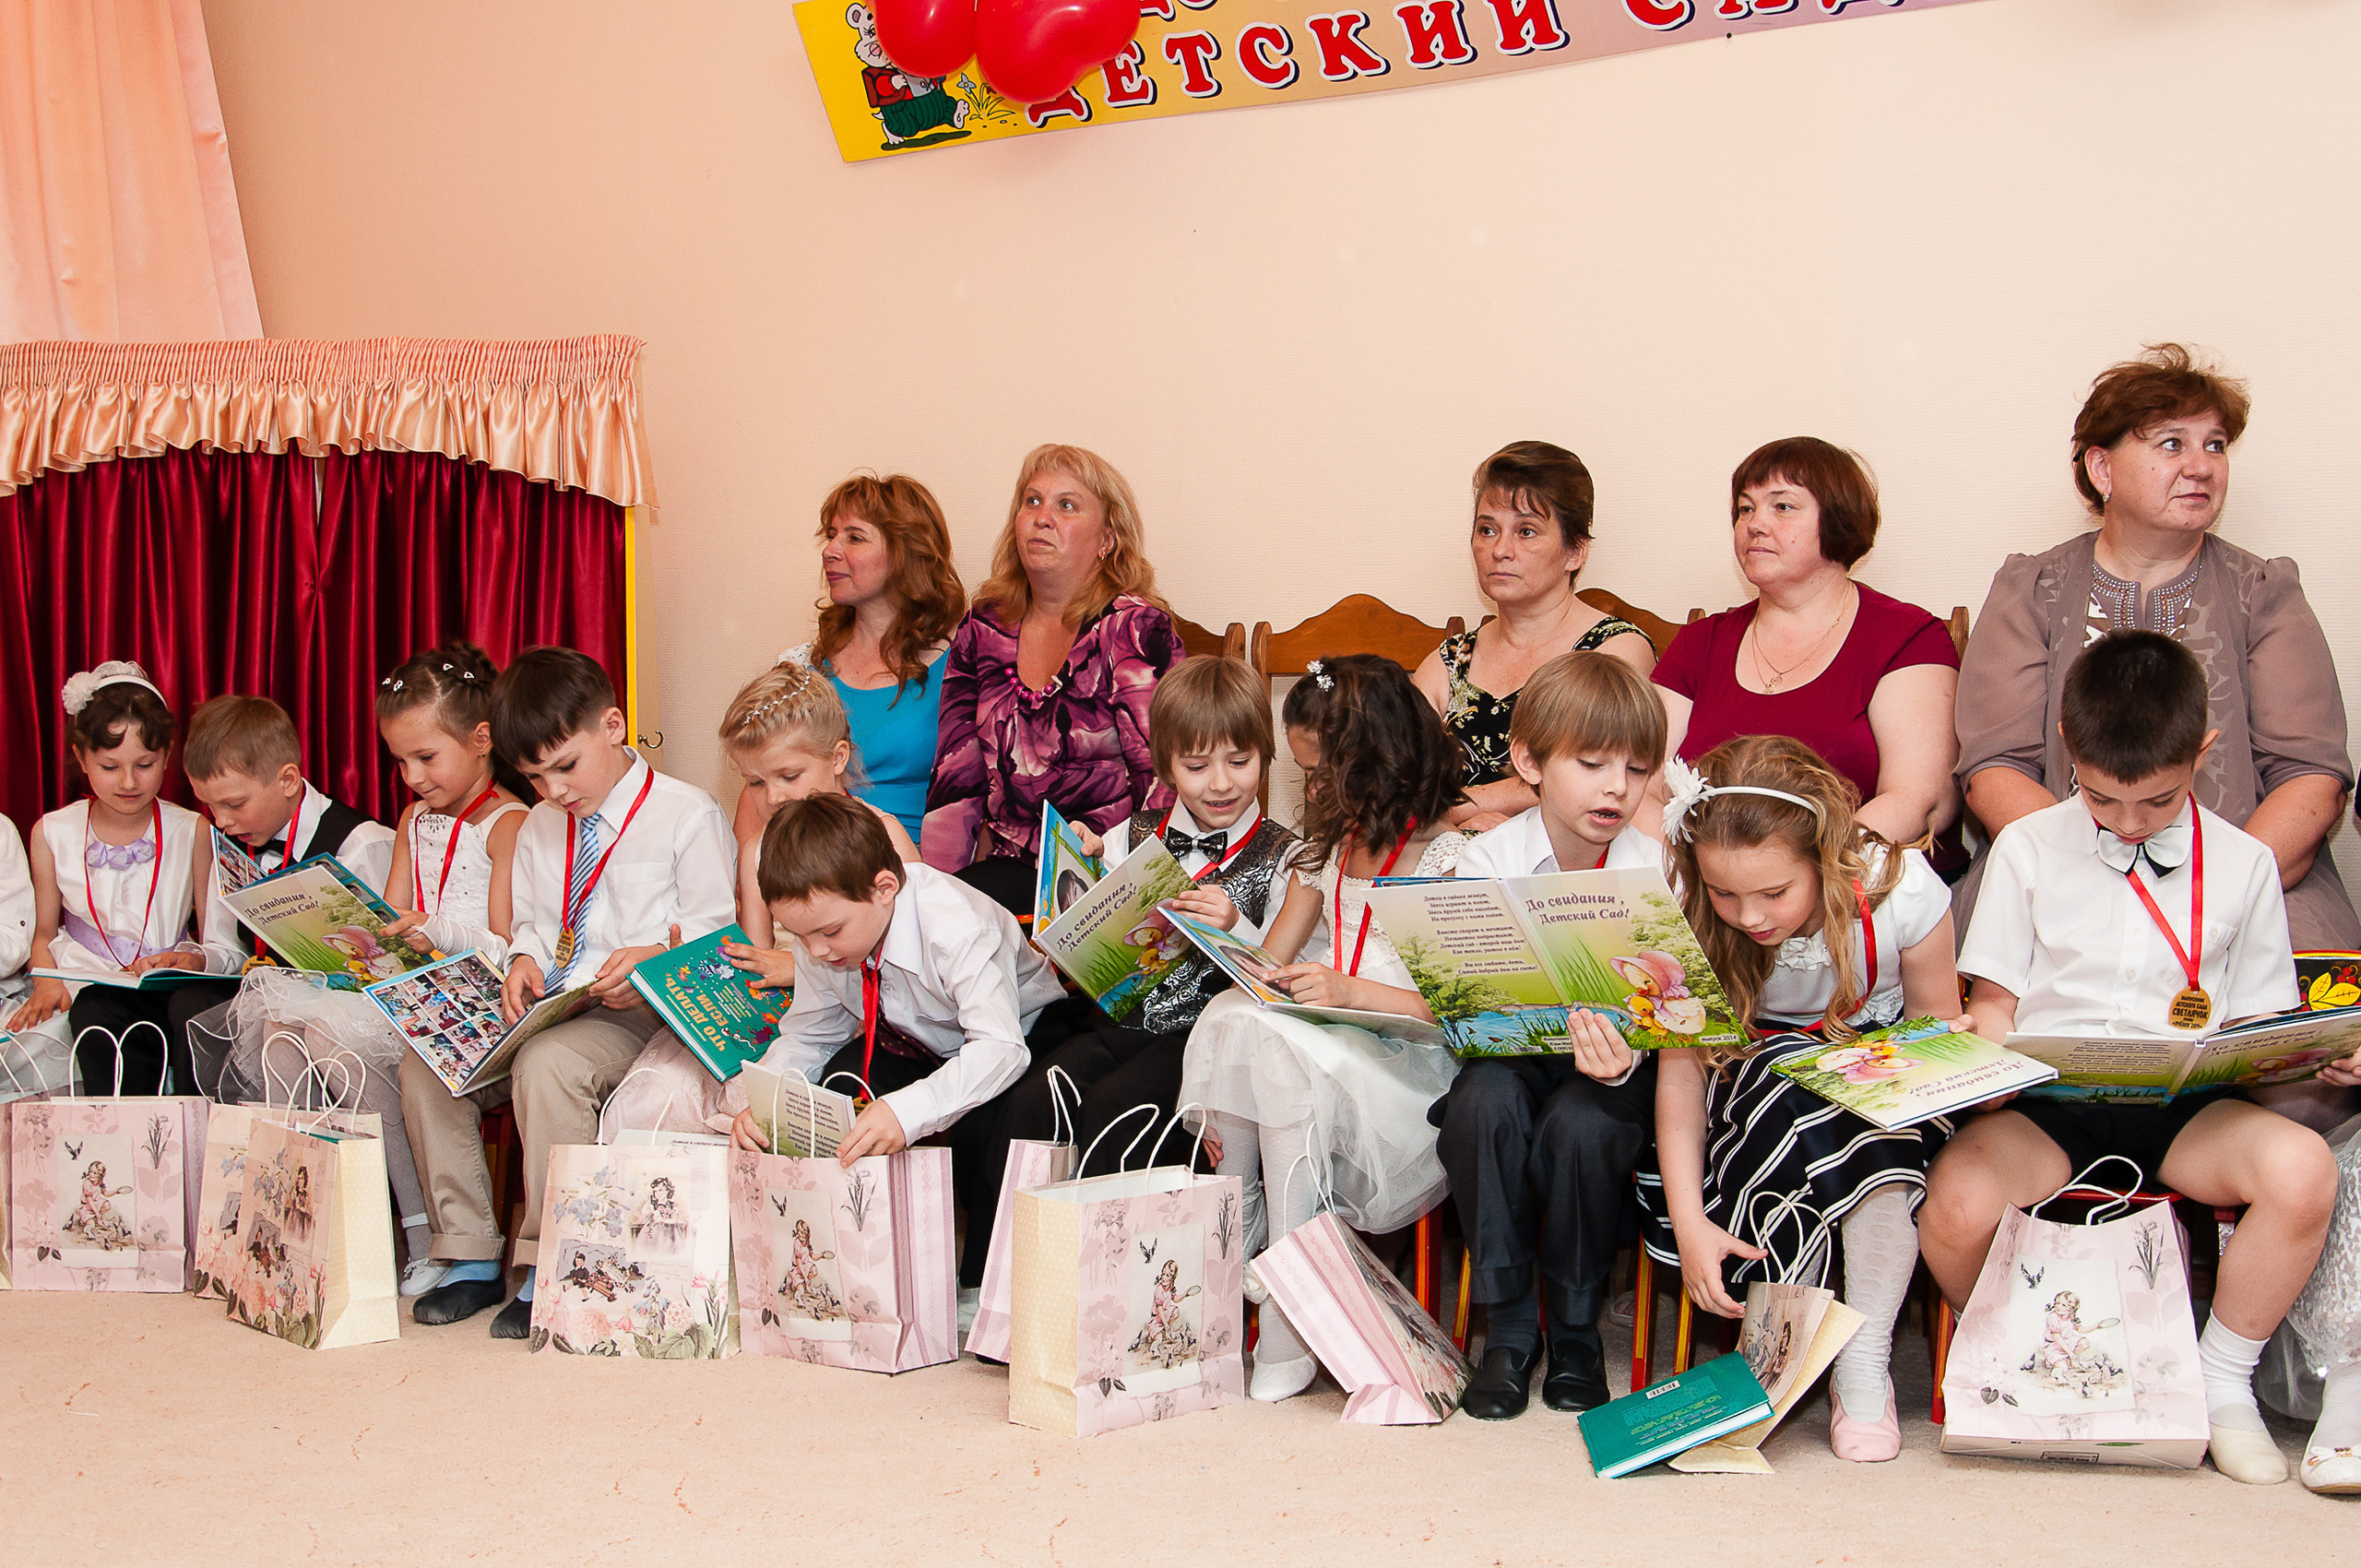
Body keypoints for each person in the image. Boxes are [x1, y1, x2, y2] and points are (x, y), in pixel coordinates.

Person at [1924, 630, 2335, 1486]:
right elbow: (1994, 1002)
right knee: (1954, 1208)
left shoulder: (2245, 863)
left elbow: (2262, 1017)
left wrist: (2307, 1053)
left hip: (2189, 1111)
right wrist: (1982, 1056)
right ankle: (2035, 1353)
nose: (2129, 822)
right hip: (2048, 1107)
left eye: (2158, 800)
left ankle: (2220, 1380)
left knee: (2303, 1170)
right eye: (2104, 798)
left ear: (2202, 753)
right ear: (2068, 748)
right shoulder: (2029, 846)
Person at [1955, 344, 2357, 1123]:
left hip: (2259, 876)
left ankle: (2250, 1178)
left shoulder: (2263, 589)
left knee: (2306, 1078)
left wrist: (2220, 894)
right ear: (2102, 468)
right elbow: (1994, 767)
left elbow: (2311, 774)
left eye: (2215, 445)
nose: (2201, 466)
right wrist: (2081, 880)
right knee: (1987, 1062)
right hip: (2055, 872)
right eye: (2172, 444)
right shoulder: (2032, 587)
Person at [1638, 734, 1969, 1462]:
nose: (1750, 916)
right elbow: (1681, 1078)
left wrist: (1939, 1047)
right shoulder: (1683, 908)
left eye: (1774, 893)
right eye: (1725, 893)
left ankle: (1861, 1360)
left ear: (1825, 858)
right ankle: (1785, 1352)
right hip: (1748, 1100)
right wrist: (1689, 1223)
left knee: (1861, 1121)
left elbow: (1937, 1038)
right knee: (1786, 1078)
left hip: (1889, 1099)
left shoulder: (1903, 890)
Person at [405, 647, 737, 1339]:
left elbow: (717, 940)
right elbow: (533, 925)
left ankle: (548, 1261)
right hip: (553, 1002)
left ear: (612, 726)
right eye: (534, 776)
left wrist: (654, 960)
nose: (554, 790)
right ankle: (469, 1251)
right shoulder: (540, 825)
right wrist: (525, 960)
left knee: (548, 1065)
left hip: (642, 1013)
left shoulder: (686, 814)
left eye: (565, 766)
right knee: (428, 1062)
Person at [1180, 653, 1468, 1403]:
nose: (1310, 790)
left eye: (1322, 773)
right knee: (1234, 1015)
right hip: (1324, 1043)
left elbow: (1457, 1011)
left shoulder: (1447, 857)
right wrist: (1222, 933)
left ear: (1378, 759)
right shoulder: (1329, 849)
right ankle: (1247, 1232)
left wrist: (1348, 990)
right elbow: (1266, 968)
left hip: (1404, 1065)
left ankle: (1283, 1307)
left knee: (1277, 1046)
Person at [728, 792, 1095, 1324]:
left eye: (829, 932)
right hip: (922, 1040)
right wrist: (768, 1098)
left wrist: (907, 1111)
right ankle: (864, 1268)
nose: (816, 952)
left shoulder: (955, 924)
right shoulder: (824, 939)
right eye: (801, 937)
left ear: (885, 888)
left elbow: (998, 1048)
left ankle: (982, 1286)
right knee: (841, 1084)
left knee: (988, 1120)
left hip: (1025, 1035)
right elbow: (811, 1035)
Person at [232, 641, 528, 1298]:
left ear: (481, 740)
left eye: (426, 757)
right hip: (407, 989)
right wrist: (350, 938)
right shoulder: (413, 819)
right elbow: (388, 916)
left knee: (336, 1042)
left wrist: (434, 932)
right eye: (399, 761)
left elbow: (506, 946)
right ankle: (318, 1223)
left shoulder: (510, 822)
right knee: (285, 1032)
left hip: (469, 1002)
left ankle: (420, 1228)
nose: (412, 776)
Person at [1438, 651, 1667, 1419]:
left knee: (1582, 1124)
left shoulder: (1658, 868)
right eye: (1592, 763)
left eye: (1637, 769)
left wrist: (1632, 1052)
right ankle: (1508, 1328)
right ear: (1530, 762)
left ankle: (1574, 1329)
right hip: (1510, 1061)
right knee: (1481, 1103)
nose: (1617, 787)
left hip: (1612, 1074)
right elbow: (1465, 1003)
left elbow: (1680, 1009)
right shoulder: (1487, 858)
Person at [602, 659, 927, 1142]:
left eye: (789, 775)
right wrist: (692, 972)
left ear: (838, 758)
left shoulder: (883, 836)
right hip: (773, 1020)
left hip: (861, 1019)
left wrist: (797, 967)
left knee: (756, 1106)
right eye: (754, 783)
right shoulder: (757, 852)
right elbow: (753, 958)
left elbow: (917, 962)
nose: (772, 797)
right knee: (659, 1096)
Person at [1010, 655, 1301, 1169]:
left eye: (1239, 762)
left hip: (1202, 1042)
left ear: (1266, 755)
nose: (1221, 784)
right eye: (1196, 767)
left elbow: (1288, 980)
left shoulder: (1287, 859)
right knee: (1032, 1106)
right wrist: (1081, 863)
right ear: (1166, 767)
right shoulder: (1133, 833)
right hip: (1118, 1026)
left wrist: (1237, 926)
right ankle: (1027, 1225)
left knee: (1118, 1115)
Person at [1650, 437, 1963, 872]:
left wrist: (1794, 878)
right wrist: (1703, 881)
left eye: (1782, 507)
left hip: (1851, 881)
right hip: (1708, 887)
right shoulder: (1699, 643)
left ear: (1838, 520)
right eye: (1745, 509)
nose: (1755, 524)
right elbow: (1643, 786)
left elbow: (1919, 799)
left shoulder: (1908, 637)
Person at [924, 445, 1184, 915]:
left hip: (1108, 875)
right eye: (1032, 501)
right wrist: (935, 898)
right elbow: (955, 781)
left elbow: (1165, 782)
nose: (1042, 518)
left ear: (1107, 540)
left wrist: (1141, 902)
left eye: (1066, 505)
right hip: (1012, 868)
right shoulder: (983, 626)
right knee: (930, 922)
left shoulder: (1134, 630)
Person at [143, 695, 397, 1093]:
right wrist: (199, 958)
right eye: (210, 807)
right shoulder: (231, 843)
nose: (222, 822)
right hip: (264, 993)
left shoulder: (361, 844)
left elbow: (391, 960)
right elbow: (228, 948)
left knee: (288, 1028)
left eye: (234, 804)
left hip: (349, 1012)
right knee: (190, 1003)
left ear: (288, 780)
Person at [1413, 442, 1655, 833]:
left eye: (1526, 532)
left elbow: (1596, 775)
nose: (1500, 550)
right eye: (1487, 530)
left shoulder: (1615, 650)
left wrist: (1451, 811)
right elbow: (1392, 771)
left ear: (1575, 552)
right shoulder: (1452, 658)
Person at [738, 473, 966, 847]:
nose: (830, 550)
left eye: (854, 537)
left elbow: (984, 799)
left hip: (915, 867)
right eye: (831, 535)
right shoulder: (805, 668)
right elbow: (759, 786)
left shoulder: (963, 663)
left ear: (906, 553)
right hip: (813, 863)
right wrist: (752, 873)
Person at [13, 664, 207, 1096]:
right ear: (82, 758)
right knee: (86, 1022)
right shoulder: (52, 831)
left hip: (165, 983)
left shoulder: (192, 830)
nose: (129, 782)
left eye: (145, 764)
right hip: (82, 977)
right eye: (109, 766)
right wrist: (46, 981)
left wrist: (190, 959)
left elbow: (212, 940)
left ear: (167, 755)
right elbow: (43, 934)